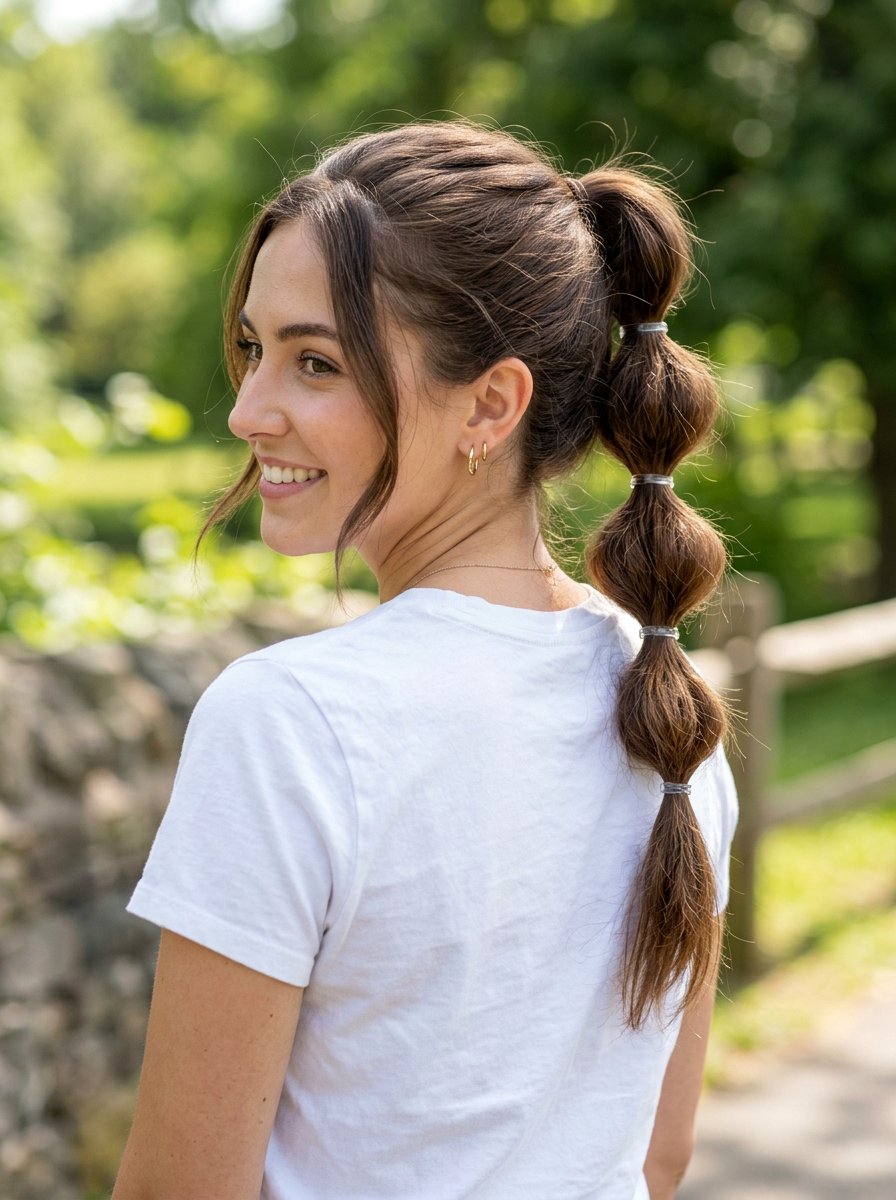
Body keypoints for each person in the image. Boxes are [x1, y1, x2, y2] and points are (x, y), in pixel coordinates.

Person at [113, 120, 738, 1200]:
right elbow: (656, 1155)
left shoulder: (291, 724)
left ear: (489, 406)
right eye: (255, 349)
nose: (247, 409)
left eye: (316, 362)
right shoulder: (669, 702)